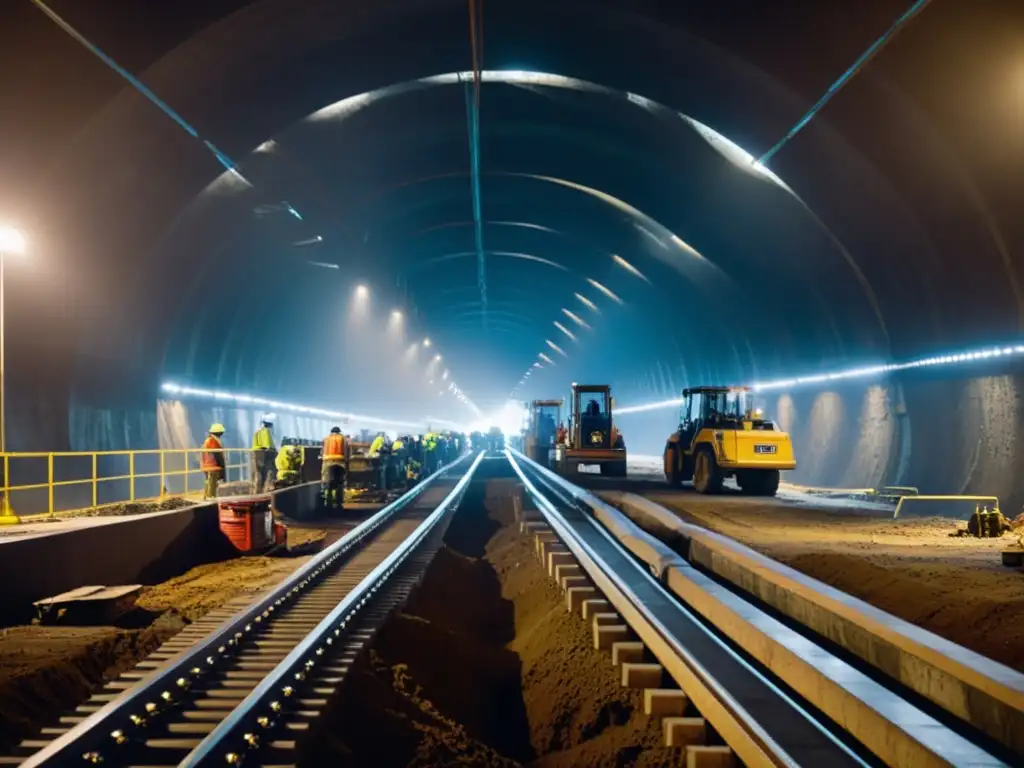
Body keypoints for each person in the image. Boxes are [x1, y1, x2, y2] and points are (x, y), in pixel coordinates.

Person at [321, 426, 346, 509]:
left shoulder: (326, 438)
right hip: (340, 462)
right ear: (339, 432)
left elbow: (322, 451)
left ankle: (328, 502)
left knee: (327, 483)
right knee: (340, 483)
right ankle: (339, 503)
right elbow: (346, 450)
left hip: (328, 462)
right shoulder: (342, 438)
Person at [200, 423, 227, 499]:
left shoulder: (208, 440)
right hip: (212, 465)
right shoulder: (213, 441)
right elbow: (216, 454)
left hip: (207, 465)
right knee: (212, 483)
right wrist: (221, 465)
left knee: (209, 482)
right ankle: (211, 497)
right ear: (218, 432)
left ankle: (206, 497)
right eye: (221, 432)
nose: (222, 433)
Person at [251, 418, 277, 493]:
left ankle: (256, 491)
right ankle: (266, 490)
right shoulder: (266, 431)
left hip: (256, 453)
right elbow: (268, 445)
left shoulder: (257, 431)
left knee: (258, 474)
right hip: (264, 453)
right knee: (269, 472)